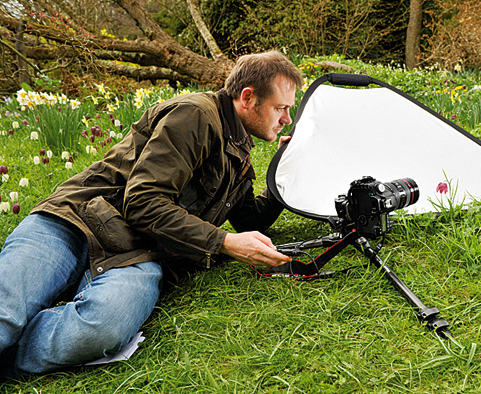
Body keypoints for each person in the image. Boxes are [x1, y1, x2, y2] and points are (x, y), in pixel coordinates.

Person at [0, 50, 303, 378]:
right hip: (75, 219)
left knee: (101, 329)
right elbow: (144, 202)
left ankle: (9, 354)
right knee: (5, 312)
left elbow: (250, 221)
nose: (286, 118)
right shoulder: (195, 116)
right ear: (248, 98)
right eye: (281, 108)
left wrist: (283, 170)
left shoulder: (239, 150)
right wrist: (223, 242)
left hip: (140, 253)